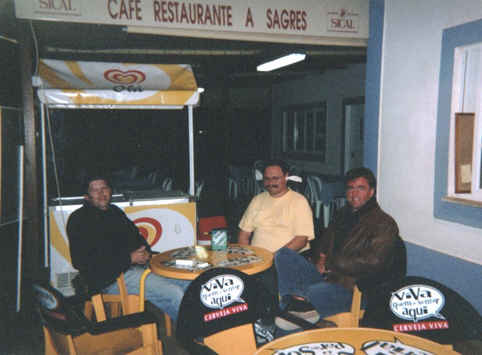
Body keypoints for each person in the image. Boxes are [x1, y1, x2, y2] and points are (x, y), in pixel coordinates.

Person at [275, 167, 406, 327]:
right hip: (327, 277)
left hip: (352, 288)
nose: (354, 193)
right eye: (350, 188)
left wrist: (331, 262)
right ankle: (300, 307)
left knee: (310, 291)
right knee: (283, 255)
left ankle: (295, 307)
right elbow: (323, 242)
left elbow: (372, 261)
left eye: (361, 188)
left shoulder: (384, 223)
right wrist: (321, 258)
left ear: (371, 192)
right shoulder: (342, 214)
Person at [67, 176, 189, 323]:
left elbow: (136, 238)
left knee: (187, 282)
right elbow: (81, 262)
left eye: (104, 188)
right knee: (173, 293)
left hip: (135, 268)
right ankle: (190, 336)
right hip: (108, 280)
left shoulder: (115, 212)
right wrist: (129, 258)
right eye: (95, 190)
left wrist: (145, 253)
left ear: (110, 191)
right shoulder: (79, 220)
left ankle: (203, 330)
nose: (101, 193)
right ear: (86, 196)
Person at [237, 160, 315, 253]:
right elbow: (244, 234)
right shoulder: (257, 200)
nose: (270, 183)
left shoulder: (299, 202)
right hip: (257, 259)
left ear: (286, 177)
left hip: (285, 259)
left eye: (275, 178)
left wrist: (274, 259)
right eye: (267, 178)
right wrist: (246, 256)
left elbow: (301, 240)